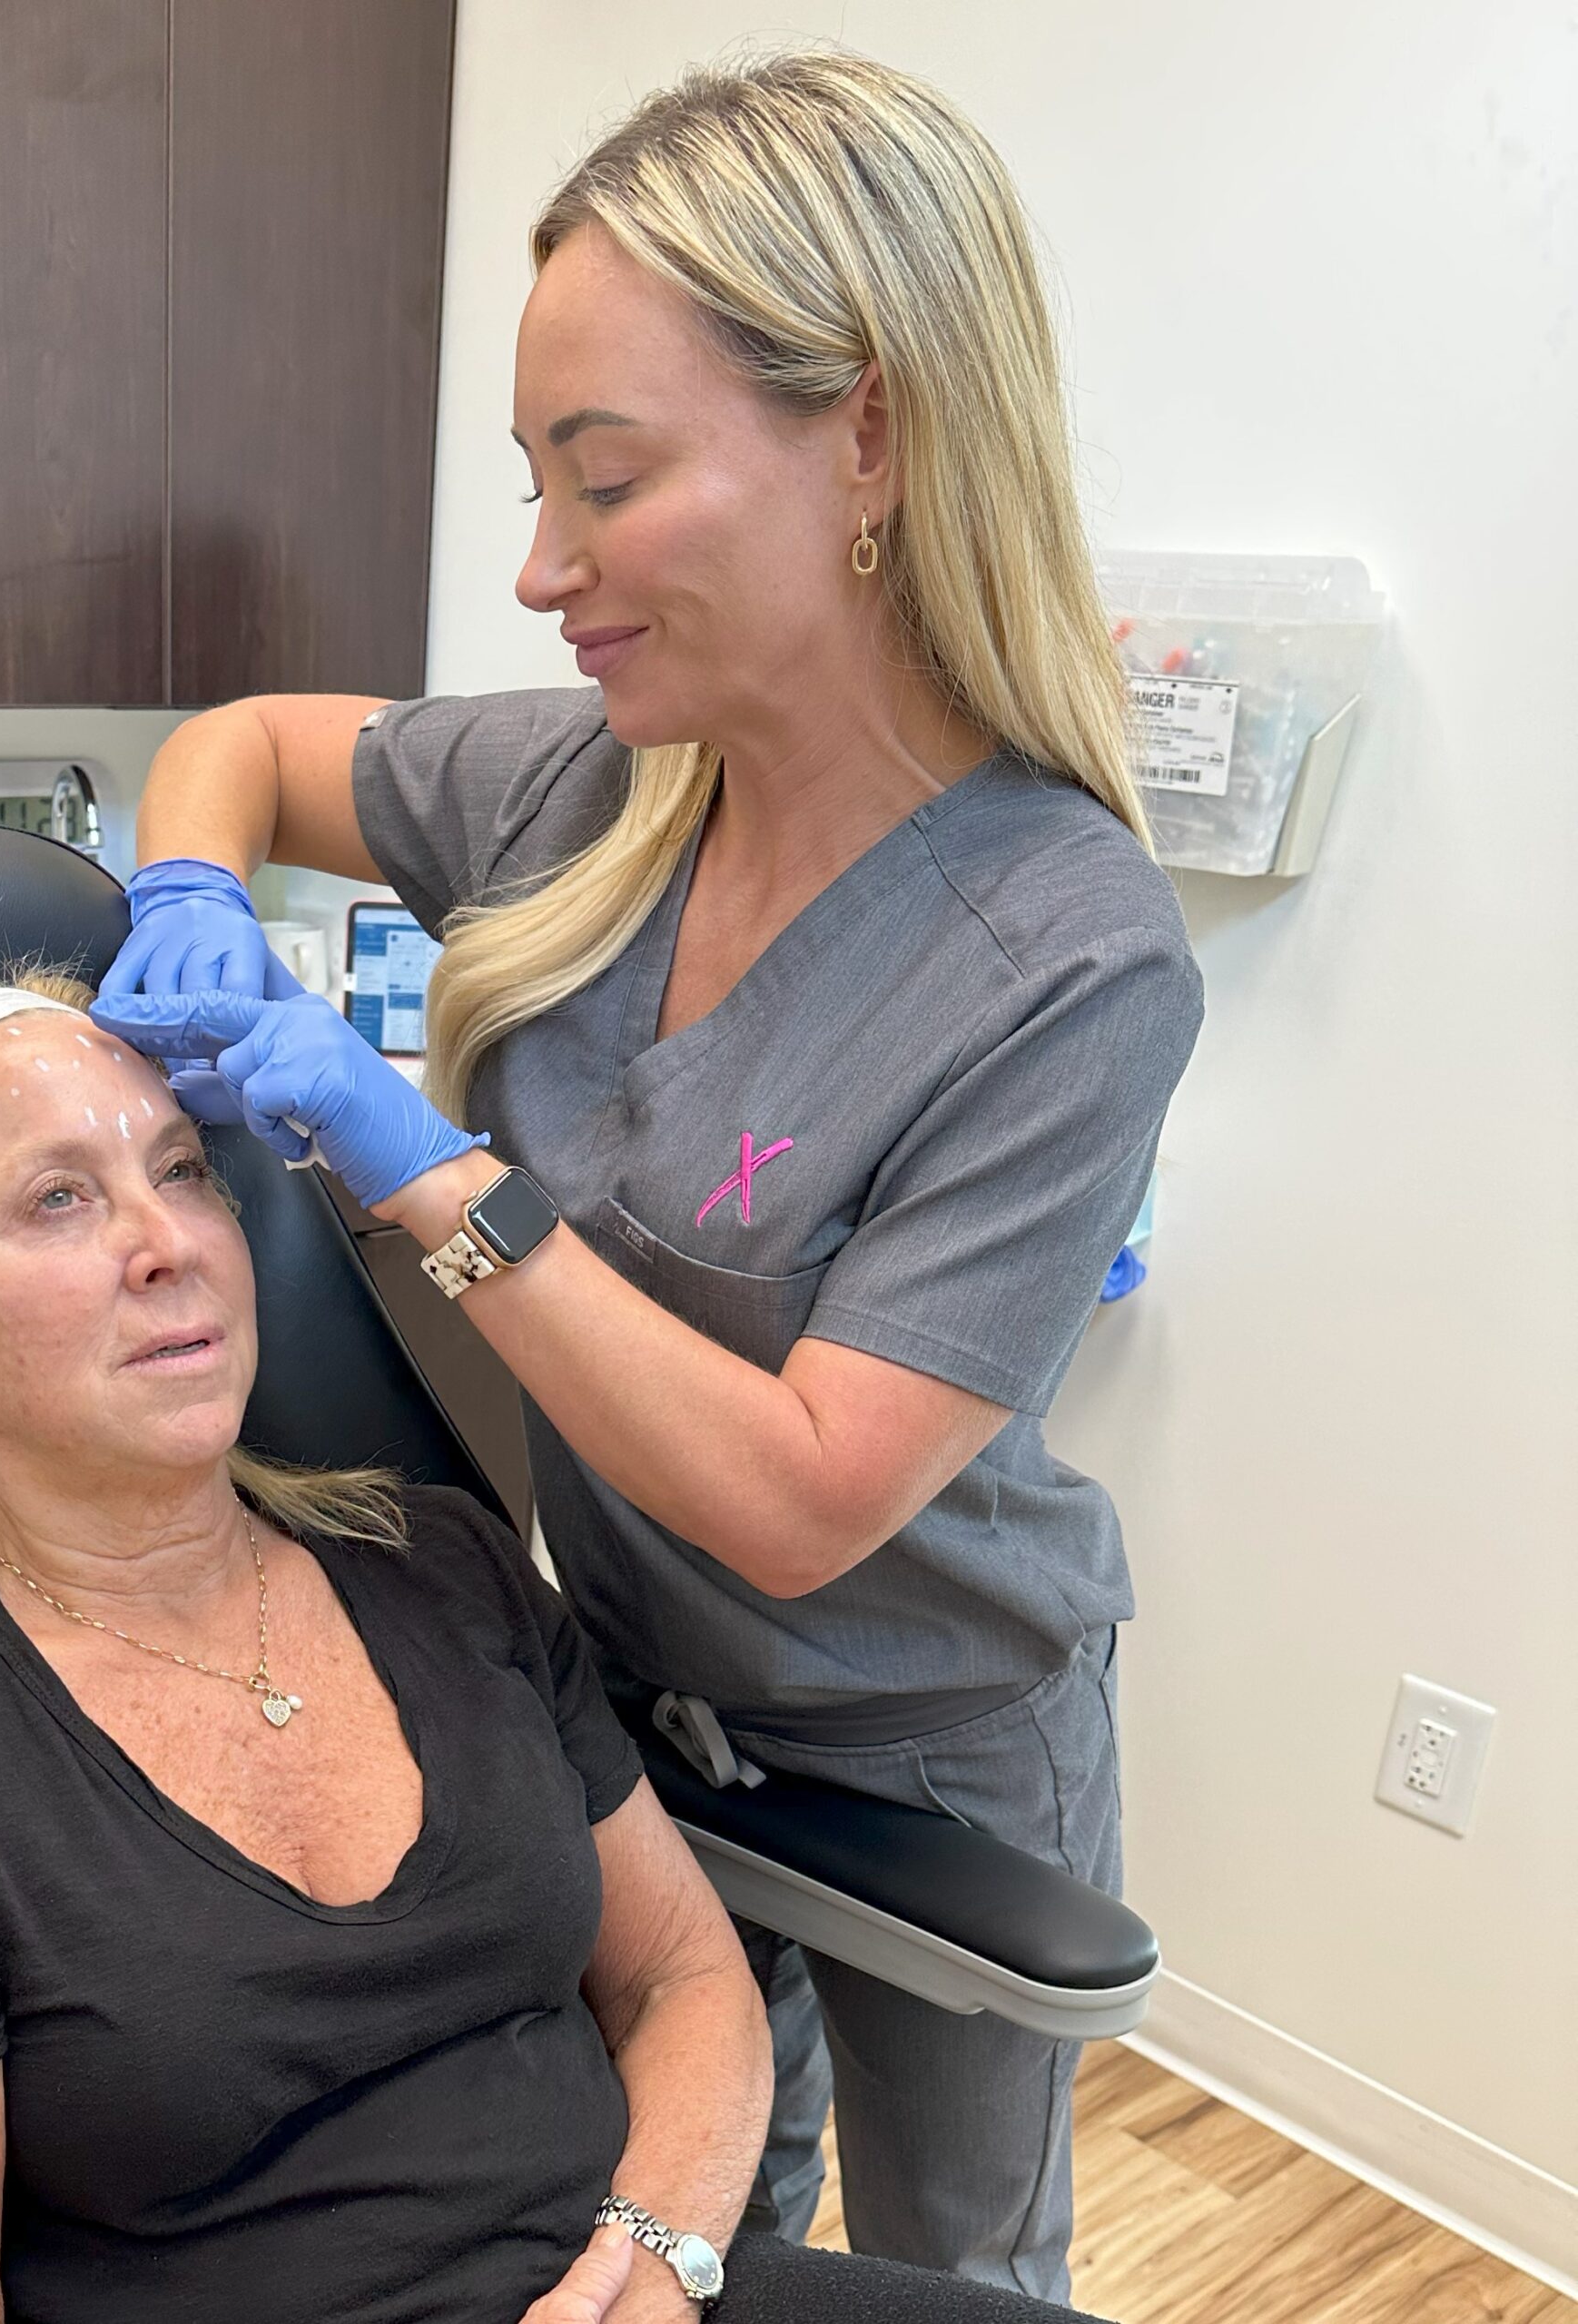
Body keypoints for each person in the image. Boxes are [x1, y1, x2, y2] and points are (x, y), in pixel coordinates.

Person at [93, 50, 1203, 2306]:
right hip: (615, 1678)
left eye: (602, 479)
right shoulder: (597, 777)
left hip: (926, 1725)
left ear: (868, 437)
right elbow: (238, 743)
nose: (534, 569)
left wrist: (423, 1164)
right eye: (531, 480)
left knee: (956, 2265)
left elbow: (799, 1494)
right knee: (693, 2191)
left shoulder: (1068, 954)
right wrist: (182, 884)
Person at [0, 969, 1095, 2324]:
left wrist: (657, 2265)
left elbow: (682, 1979)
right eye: (58, 1198)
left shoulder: (441, 1564)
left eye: (184, 1170)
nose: (168, 1241)